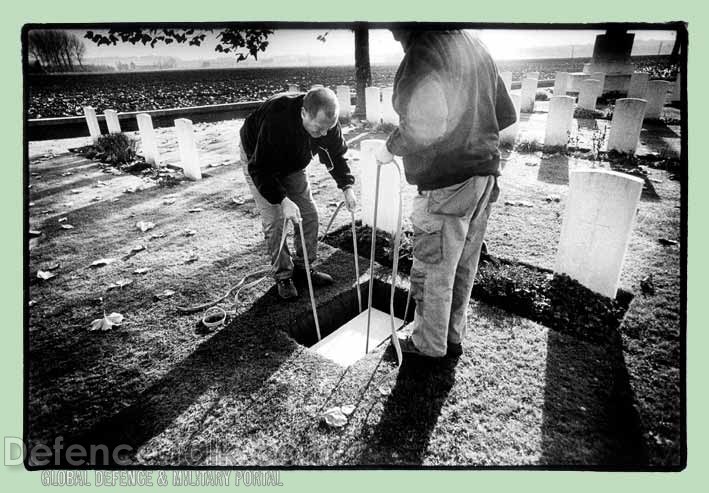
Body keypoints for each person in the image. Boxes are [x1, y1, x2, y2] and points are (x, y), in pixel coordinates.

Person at [376, 29, 517, 359]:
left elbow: (429, 118)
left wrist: (391, 147)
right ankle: (451, 337)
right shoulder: (474, 43)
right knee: (462, 266)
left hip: (447, 182)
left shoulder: (424, 47)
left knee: (433, 268)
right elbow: (506, 113)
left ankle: (428, 345)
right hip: (484, 176)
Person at [239, 87, 357, 300]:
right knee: (275, 221)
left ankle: (304, 268)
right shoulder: (276, 119)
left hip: (294, 163)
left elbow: (336, 156)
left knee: (308, 214)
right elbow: (260, 169)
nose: (323, 134)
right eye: (318, 129)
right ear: (304, 113)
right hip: (259, 160)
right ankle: (283, 275)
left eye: (327, 129)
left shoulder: (327, 125)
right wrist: (282, 200)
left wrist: (347, 187)